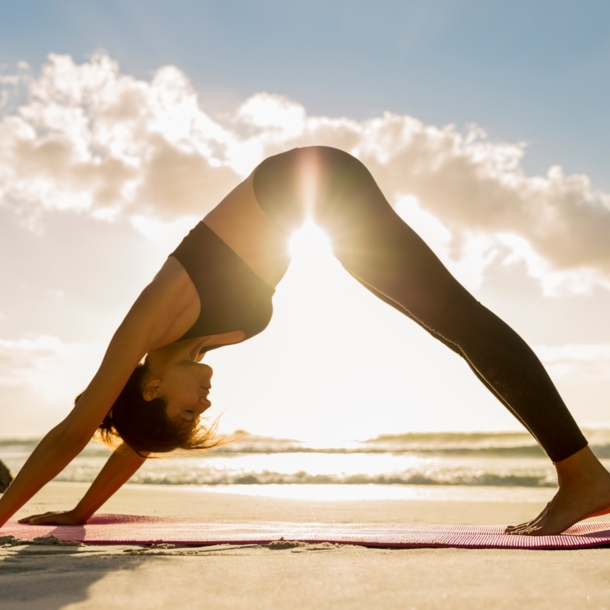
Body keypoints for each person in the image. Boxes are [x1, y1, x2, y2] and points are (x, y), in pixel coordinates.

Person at [1, 146, 609, 536]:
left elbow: (76, 426)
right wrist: (82, 512)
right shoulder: (187, 350)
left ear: (151, 386)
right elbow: (138, 441)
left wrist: (1, 519)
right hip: (322, 205)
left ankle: (582, 478)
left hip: (311, 183)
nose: (205, 404)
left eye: (188, 409)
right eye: (198, 414)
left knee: (460, 320)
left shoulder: (150, 320)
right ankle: (581, 475)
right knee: (456, 326)